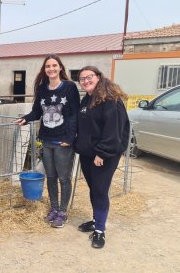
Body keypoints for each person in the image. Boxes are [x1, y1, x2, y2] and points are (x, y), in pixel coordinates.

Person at [14, 54, 80, 228]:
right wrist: (25, 119)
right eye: (47, 66)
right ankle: (54, 208)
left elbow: (74, 115)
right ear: (45, 70)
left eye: (54, 65)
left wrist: (69, 138)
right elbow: (37, 111)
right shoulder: (43, 88)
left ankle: (63, 213)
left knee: (64, 179)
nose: (51, 69)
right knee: (50, 177)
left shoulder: (70, 87)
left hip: (63, 142)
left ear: (60, 68)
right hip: (47, 139)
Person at [75, 66, 130, 249]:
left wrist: (102, 153)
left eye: (89, 77)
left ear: (98, 77)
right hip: (88, 154)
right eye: (82, 79)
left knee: (99, 190)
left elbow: (113, 130)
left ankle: (100, 230)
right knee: (93, 189)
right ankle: (96, 219)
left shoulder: (110, 100)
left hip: (104, 155)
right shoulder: (88, 99)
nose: (85, 81)